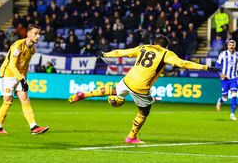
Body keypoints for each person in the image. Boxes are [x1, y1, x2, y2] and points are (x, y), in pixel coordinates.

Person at [68, 35, 219, 144]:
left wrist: (104, 54)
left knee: (114, 90)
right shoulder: (166, 53)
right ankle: (131, 136)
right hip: (141, 87)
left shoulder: (143, 48)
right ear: (166, 46)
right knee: (144, 111)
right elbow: (183, 64)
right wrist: (205, 67)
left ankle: (84, 94)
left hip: (128, 79)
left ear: (154, 43)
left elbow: (122, 52)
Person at [0, 24, 49, 134]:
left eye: (39, 34)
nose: (38, 36)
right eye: (35, 33)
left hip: (19, 75)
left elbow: (25, 66)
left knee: (25, 99)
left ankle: (34, 127)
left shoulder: (32, 50)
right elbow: (12, 65)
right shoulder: (18, 46)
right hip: (7, 74)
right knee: (7, 101)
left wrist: (25, 79)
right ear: (28, 34)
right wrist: (22, 79)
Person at [215, 39, 238, 121]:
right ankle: (219, 101)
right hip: (224, 79)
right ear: (228, 46)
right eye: (230, 45)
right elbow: (217, 65)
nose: (231, 46)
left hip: (234, 78)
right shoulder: (223, 54)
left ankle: (232, 114)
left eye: (233, 45)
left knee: (234, 95)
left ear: (235, 46)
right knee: (225, 98)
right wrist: (221, 74)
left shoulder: (237, 55)